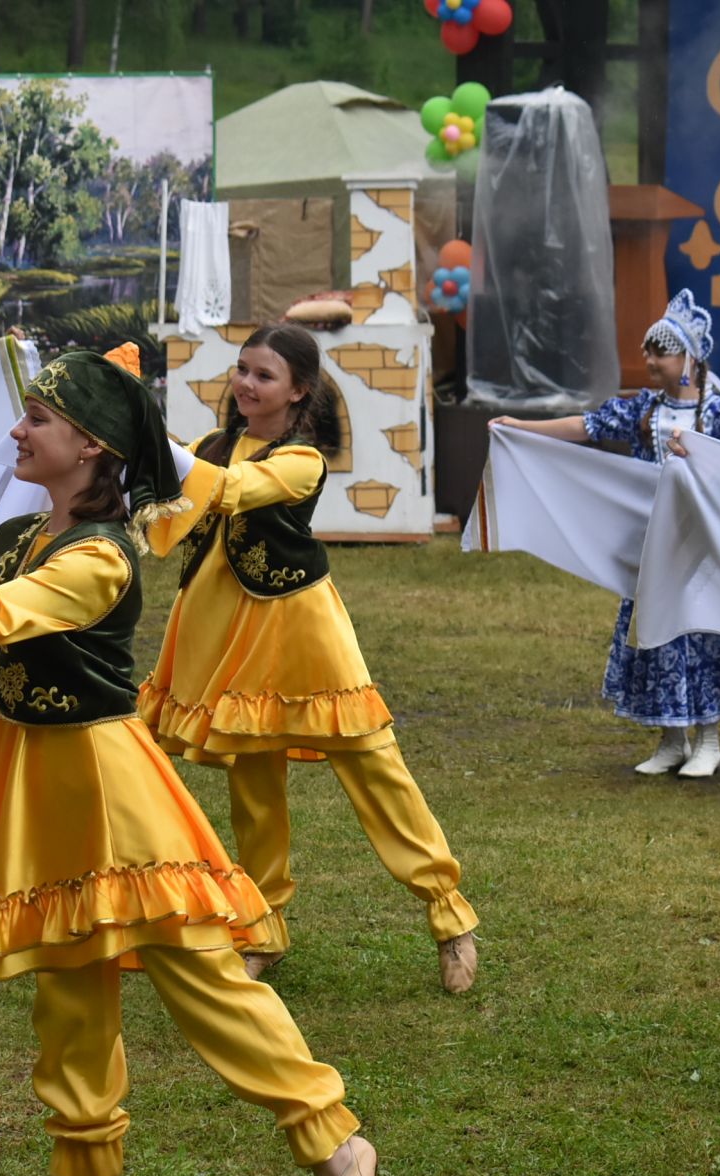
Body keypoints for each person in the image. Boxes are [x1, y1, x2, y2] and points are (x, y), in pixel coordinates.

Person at [0, 349, 380, 1176]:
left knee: (207, 982)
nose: (18, 432)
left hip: (114, 801)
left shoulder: (97, 559)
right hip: (37, 798)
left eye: (37, 419)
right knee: (68, 992)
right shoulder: (19, 535)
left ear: (91, 446)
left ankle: (334, 1141)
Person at [136, 324, 480, 991]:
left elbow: (231, 490)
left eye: (263, 375)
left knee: (375, 768)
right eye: (241, 370)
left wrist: (149, 439)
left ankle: (448, 913)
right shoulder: (213, 444)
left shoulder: (302, 460)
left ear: (298, 392)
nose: (246, 384)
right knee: (253, 785)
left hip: (301, 632)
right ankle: (262, 929)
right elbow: (169, 515)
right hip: (226, 631)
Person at [493, 290, 720, 778]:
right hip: (658, 550)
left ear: (688, 358)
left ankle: (708, 740)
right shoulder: (645, 411)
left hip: (707, 553)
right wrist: (521, 427)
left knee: (705, 635)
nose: (649, 360)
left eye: (659, 351)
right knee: (658, 636)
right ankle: (671, 738)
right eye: (648, 351)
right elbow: (587, 426)